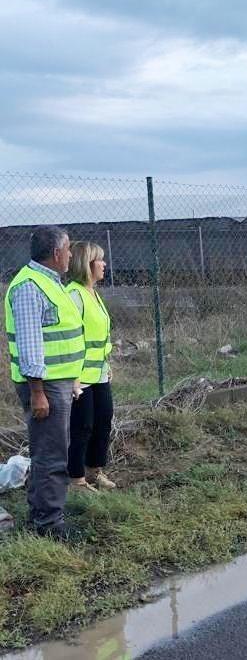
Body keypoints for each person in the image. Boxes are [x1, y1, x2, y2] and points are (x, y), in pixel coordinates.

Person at [4, 226, 84, 538]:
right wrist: (38, 393)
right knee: (51, 454)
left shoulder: (50, 282)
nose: (70, 255)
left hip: (56, 382)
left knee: (51, 450)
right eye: (67, 250)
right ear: (55, 253)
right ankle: (49, 525)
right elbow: (30, 344)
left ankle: (43, 514)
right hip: (44, 385)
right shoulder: (29, 287)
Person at [66, 242, 116, 492]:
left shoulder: (93, 293)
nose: (104, 264)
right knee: (82, 426)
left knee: (103, 421)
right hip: (80, 376)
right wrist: (73, 378)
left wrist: (106, 365)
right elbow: (71, 338)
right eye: (99, 260)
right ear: (86, 264)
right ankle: (76, 480)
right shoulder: (74, 295)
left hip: (99, 373)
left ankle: (95, 471)